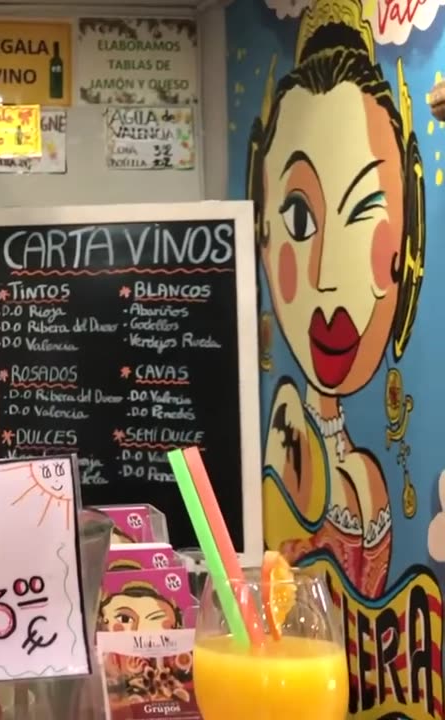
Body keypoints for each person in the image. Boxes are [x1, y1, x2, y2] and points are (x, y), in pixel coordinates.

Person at [251, 0, 424, 598]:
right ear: (263, 232)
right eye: (300, 218)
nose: (326, 279)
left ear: (408, 237)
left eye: (364, 215)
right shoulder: (284, 439)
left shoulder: (366, 472)